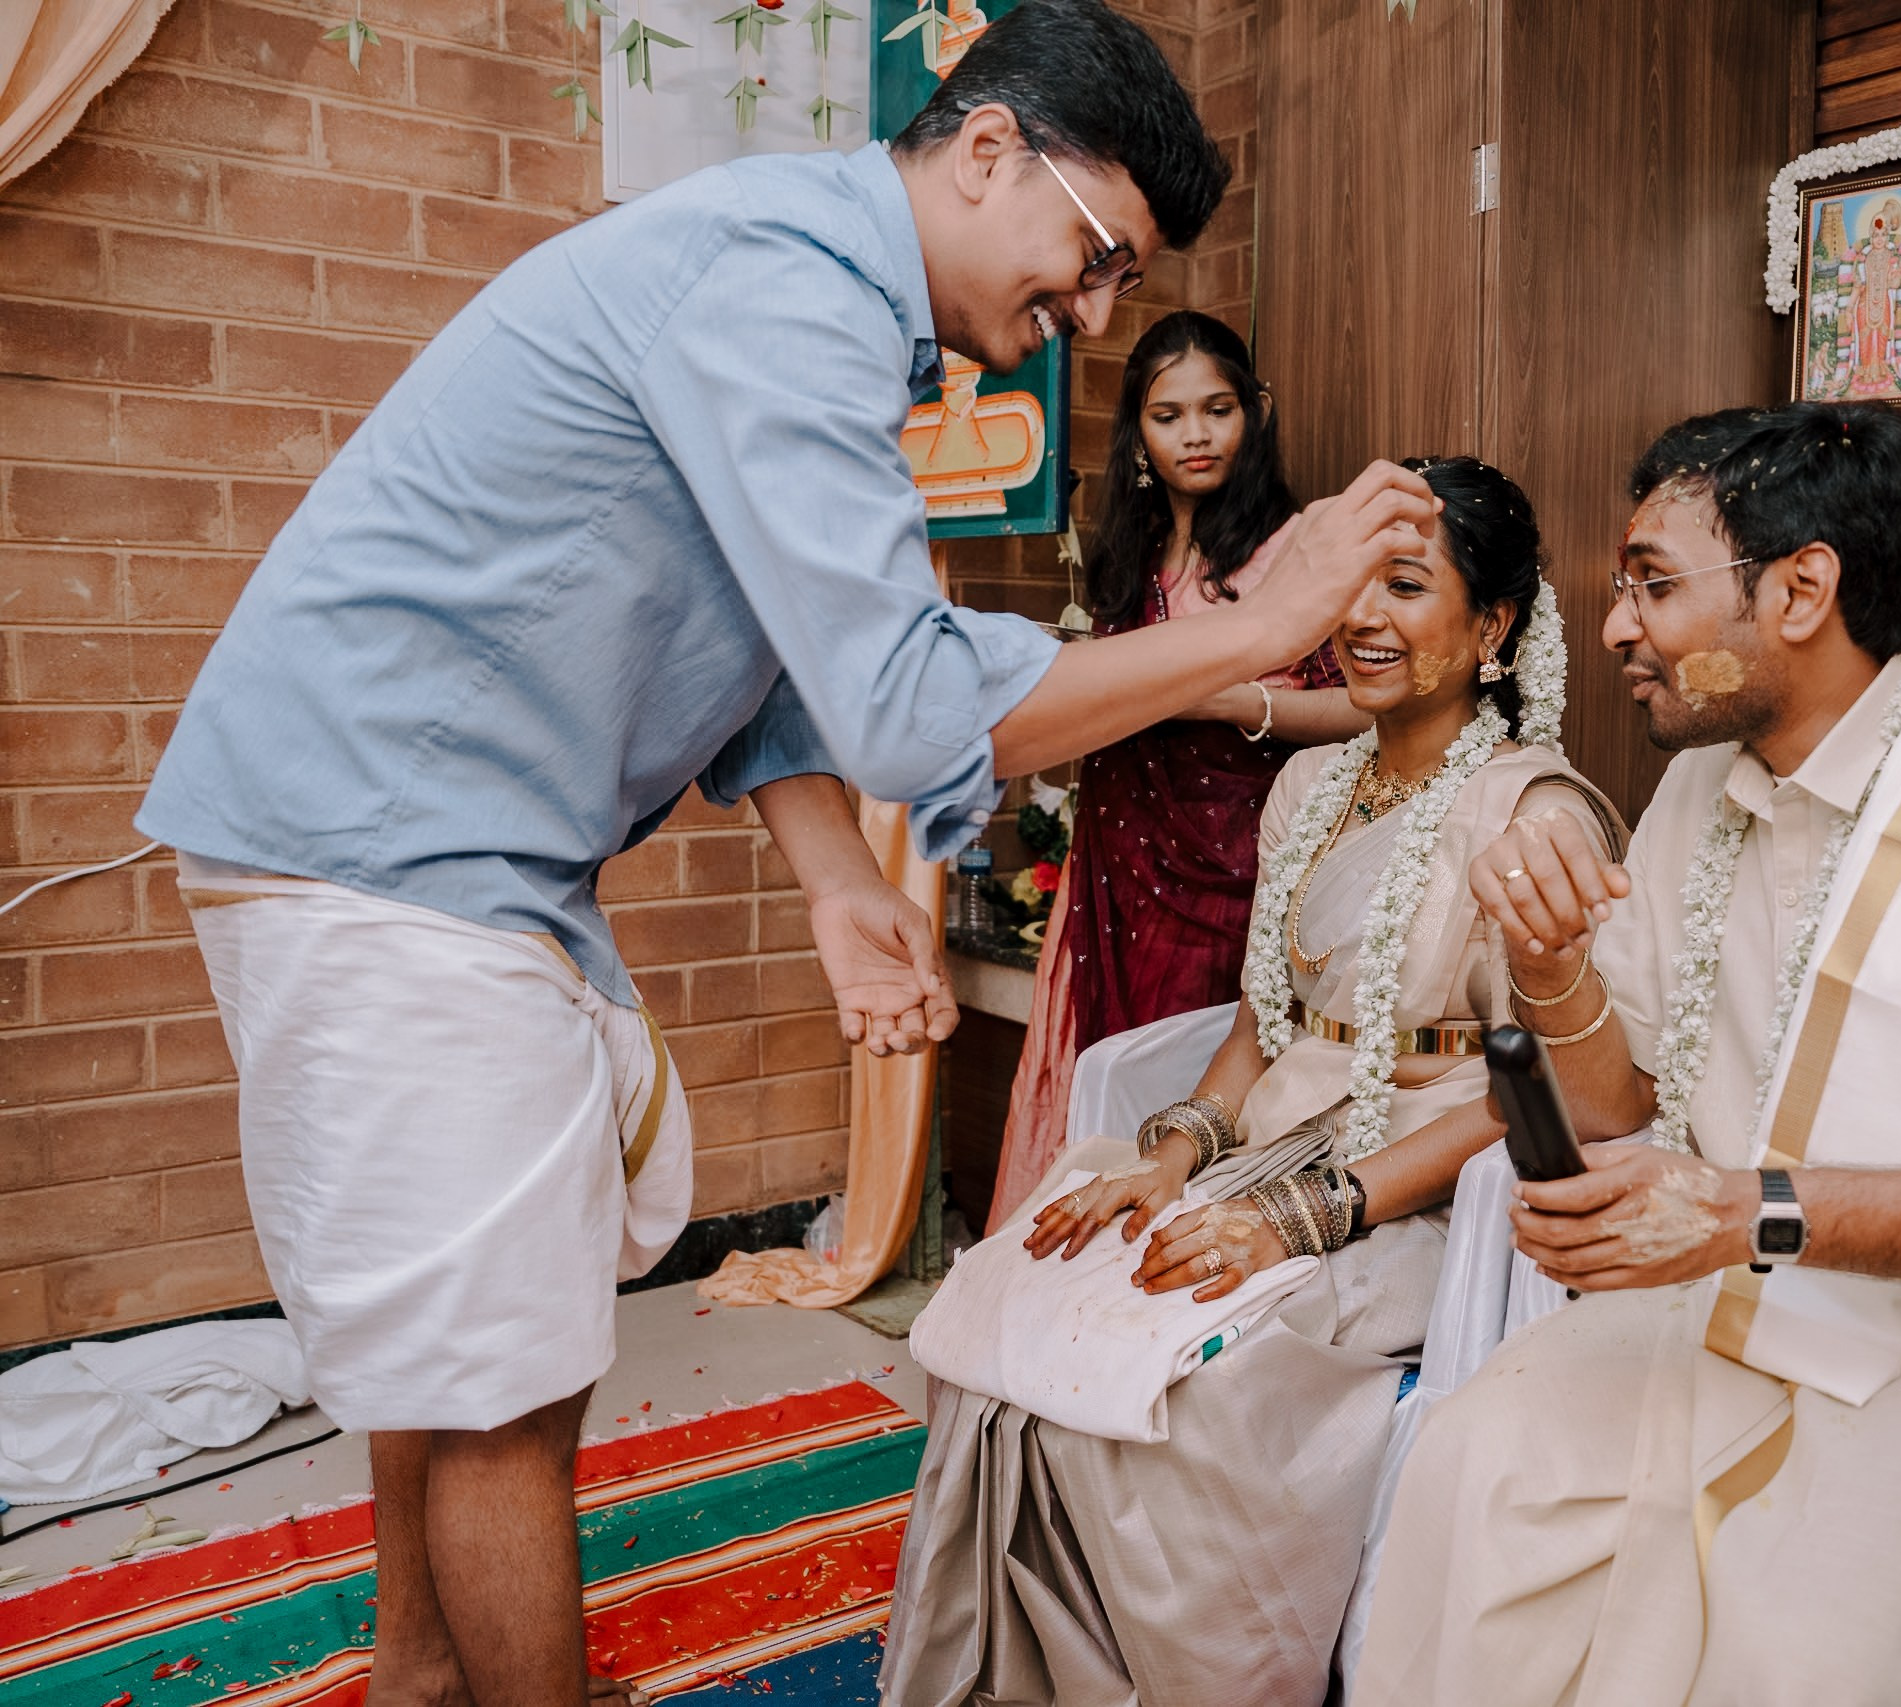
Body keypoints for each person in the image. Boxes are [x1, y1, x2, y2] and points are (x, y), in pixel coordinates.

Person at [133, 4, 1438, 1703]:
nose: (1095, 314)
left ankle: (422, 1676)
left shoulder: (815, 290)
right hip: (387, 852)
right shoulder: (789, 285)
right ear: (985, 149)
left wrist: (834, 880)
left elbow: (759, 635)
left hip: (407, 849)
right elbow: (902, 700)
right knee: (502, 1385)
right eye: (1098, 255)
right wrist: (1258, 625)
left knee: (462, 1356)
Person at [1353, 403, 1901, 1707]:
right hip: (1708, 1314)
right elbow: (1613, 1098)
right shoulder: (1706, 779)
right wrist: (1544, 962)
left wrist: (1748, 1213)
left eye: (1651, 583)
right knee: (1469, 1468)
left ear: (1803, 586)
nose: (1615, 628)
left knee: (1791, 1645)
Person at [884, 458, 1619, 1707]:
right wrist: (1169, 1157)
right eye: (1352, 587)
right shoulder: (1308, 786)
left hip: (1418, 1192)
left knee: (1186, 1385)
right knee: (1029, 1302)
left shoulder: (1532, 812)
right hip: (1260, 1151)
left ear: (1492, 628)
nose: (1366, 620)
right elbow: (1264, 1022)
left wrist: (1306, 1212)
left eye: (1407, 586)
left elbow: (1532, 1091)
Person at [991, 310, 1367, 1225]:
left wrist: (1236, 699)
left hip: (1226, 869)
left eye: (1218, 409)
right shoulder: (1127, 552)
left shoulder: (1293, 550)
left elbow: (1362, 705)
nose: (1195, 435)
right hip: (1122, 858)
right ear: (1138, 433)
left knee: (1193, 1074)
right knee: (1107, 1059)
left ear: (1255, 413)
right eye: (1168, 416)